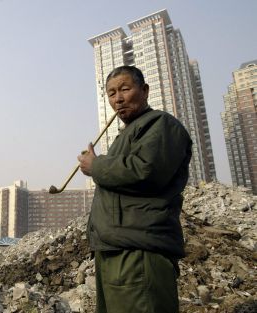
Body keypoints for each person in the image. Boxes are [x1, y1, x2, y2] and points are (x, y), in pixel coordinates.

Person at [78, 65, 192, 313]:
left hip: (139, 252)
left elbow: (146, 171)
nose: (117, 99)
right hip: (114, 250)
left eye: (125, 89)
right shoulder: (126, 135)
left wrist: (97, 165)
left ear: (145, 90)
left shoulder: (161, 124)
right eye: (111, 93)